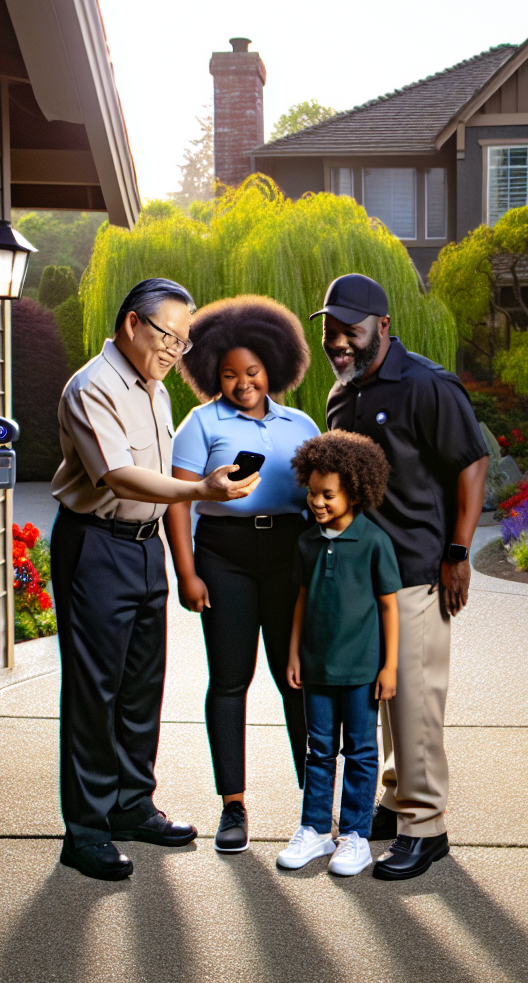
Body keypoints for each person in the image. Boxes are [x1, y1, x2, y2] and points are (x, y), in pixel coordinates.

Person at [49, 277, 258, 882]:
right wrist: (199, 489)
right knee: (96, 692)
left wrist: (176, 549)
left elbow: (158, 478)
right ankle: (85, 833)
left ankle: (131, 807)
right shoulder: (92, 387)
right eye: (170, 335)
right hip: (94, 547)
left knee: (142, 685)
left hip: (144, 550)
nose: (176, 350)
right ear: (133, 324)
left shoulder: (156, 390)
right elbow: (117, 476)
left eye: (185, 341)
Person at [315, 273, 489, 881]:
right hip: (365, 576)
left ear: (383, 327)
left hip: (418, 569)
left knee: (415, 701)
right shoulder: (341, 396)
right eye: (332, 331)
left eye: (351, 330)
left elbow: (471, 465)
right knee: (383, 697)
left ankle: (426, 827)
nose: (339, 341)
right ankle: (394, 800)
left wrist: (459, 550)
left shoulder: (426, 386)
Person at [164, 296, 320, 855]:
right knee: (230, 682)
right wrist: (187, 573)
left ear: (272, 367)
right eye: (229, 374)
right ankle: (233, 805)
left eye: (251, 371)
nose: (242, 383)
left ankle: (316, 801)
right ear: (212, 373)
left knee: (295, 679)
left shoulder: (301, 424)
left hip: (287, 554)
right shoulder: (200, 423)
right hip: (222, 556)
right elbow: (179, 502)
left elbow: (321, 498)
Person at [276, 430, 400, 876]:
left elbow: (389, 605)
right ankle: (314, 830)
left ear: (354, 490)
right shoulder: (308, 542)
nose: (317, 502)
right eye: (312, 494)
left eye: (327, 494)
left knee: (362, 751)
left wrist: (389, 666)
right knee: (319, 748)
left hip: (363, 670)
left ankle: (355, 836)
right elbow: (303, 601)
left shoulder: (373, 542)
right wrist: (293, 655)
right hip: (316, 667)